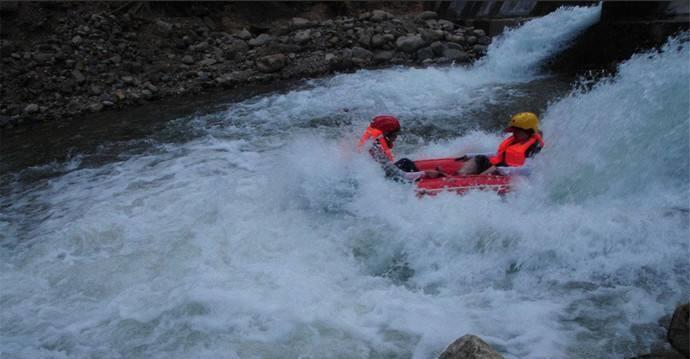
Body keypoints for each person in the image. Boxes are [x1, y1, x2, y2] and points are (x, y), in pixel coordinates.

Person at [358, 115, 443, 181]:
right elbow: (402, 176)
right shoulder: (376, 152)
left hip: (382, 175)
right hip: (384, 183)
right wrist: (426, 173)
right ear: (385, 134)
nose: (395, 138)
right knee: (406, 168)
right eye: (394, 135)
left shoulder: (372, 143)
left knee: (405, 162)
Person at [457, 112, 544, 175]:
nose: (514, 133)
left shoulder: (533, 147)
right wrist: (469, 155)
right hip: (498, 166)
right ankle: (458, 178)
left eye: (518, 131)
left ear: (528, 131)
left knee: (496, 168)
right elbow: (499, 154)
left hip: (507, 172)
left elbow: (528, 169)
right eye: (514, 130)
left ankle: (473, 181)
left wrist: (502, 170)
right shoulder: (515, 139)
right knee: (479, 158)